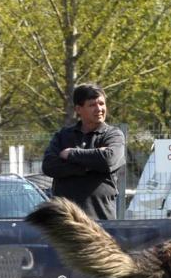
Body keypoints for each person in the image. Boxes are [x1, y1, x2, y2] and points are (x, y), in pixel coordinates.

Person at [41, 84, 125, 220]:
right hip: (65, 221)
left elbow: (108, 159)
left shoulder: (113, 135)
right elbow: (49, 166)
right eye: (92, 105)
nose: (99, 109)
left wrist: (70, 154)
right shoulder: (63, 136)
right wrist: (91, 164)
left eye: (102, 104)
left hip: (101, 222)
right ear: (78, 109)